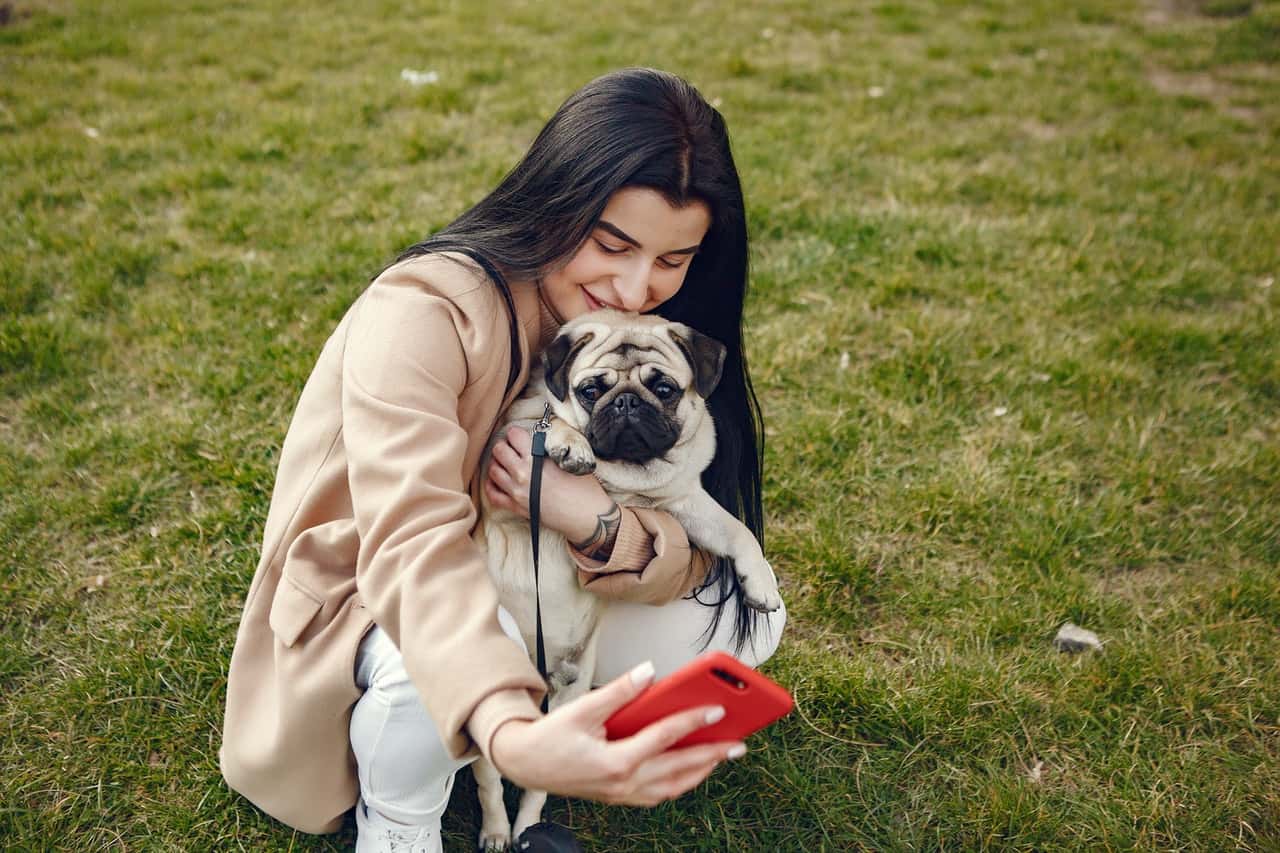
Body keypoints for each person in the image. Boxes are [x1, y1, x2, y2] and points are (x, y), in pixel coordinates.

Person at [219, 67, 787, 852]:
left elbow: (682, 532)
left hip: (540, 581)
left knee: (741, 617)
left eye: (672, 258)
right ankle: (402, 818)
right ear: (557, 198)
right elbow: (412, 546)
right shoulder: (423, 309)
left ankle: (540, 728)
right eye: (611, 243)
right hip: (375, 601)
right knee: (451, 650)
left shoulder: (648, 336)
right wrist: (512, 732)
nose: (635, 285)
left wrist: (591, 519)